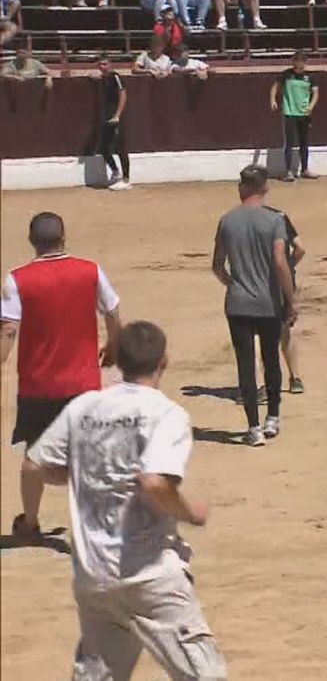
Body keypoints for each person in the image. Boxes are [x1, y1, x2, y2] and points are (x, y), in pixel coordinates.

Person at [23, 321, 227, 678]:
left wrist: (83, 475)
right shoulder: (166, 414)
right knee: (205, 675)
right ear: (164, 362)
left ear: (118, 361)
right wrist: (189, 512)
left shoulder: (85, 407)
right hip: (148, 574)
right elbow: (153, 483)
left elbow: (34, 464)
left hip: (93, 573)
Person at [1, 212, 121, 545]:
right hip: (82, 382)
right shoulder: (90, 271)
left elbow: (8, 330)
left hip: (38, 385)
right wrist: (113, 346)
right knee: (86, 457)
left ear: (32, 242)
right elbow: (112, 311)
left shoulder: (18, 279)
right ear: (63, 238)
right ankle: (93, 527)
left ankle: (31, 523)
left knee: (32, 458)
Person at [211, 164, 298, 447]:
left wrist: (234, 284)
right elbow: (281, 262)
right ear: (265, 189)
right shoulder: (274, 221)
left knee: (245, 366)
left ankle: (252, 427)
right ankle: (273, 416)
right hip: (267, 302)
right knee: (271, 358)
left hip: (238, 303)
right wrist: (290, 298)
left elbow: (217, 266)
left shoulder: (227, 221)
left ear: (243, 188)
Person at [265, 204, 306, 395]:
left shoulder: (243, 218)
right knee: (285, 331)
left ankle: (262, 383)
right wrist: (289, 266)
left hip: (260, 280)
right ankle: (295, 377)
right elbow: (300, 248)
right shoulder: (279, 216)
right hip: (283, 282)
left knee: (258, 334)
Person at [270, 50, 319, 181]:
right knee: (290, 143)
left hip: (304, 113)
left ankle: (305, 169)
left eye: (302, 62)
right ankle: (288, 171)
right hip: (290, 112)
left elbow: (315, 93)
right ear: (294, 62)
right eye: (297, 61)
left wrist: (311, 106)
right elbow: (275, 86)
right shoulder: (286, 75)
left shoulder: (310, 77)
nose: (300, 64)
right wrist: (273, 100)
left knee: (304, 142)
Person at [96, 55, 130, 191]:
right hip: (107, 116)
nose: (102, 67)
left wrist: (117, 115)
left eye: (104, 64)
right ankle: (116, 172)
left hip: (115, 116)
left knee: (120, 148)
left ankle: (126, 179)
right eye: (100, 64)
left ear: (110, 65)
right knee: (103, 148)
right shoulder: (104, 78)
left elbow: (123, 95)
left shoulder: (115, 77)